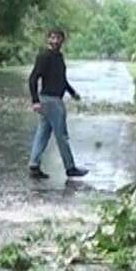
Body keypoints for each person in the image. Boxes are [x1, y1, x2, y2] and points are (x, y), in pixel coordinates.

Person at [28, 28, 87, 180]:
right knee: (62, 135)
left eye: (58, 38)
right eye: (52, 38)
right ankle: (70, 167)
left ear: (62, 40)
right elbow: (33, 78)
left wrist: (72, 92)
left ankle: (34, 165)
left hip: (54, 99)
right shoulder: (44, 57)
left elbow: (61, 79)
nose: (55, 41)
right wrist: (35, 101)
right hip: (50, 101)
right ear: (47, 39)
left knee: (43, 133)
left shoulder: (59, 57)